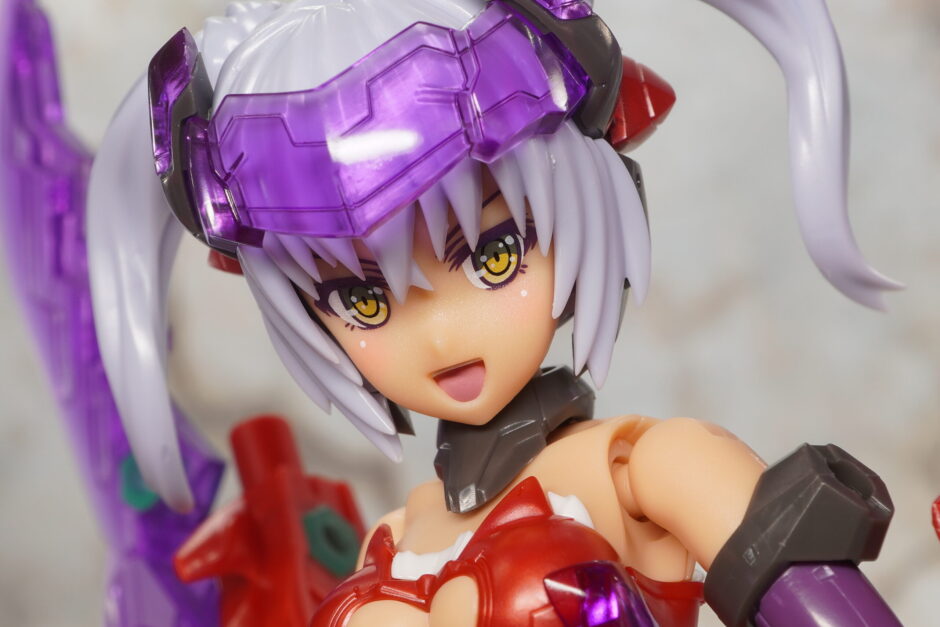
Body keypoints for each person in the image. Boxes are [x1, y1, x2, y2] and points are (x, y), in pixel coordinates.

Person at [3, 0, 903, 624]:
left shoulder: (645, 469)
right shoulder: (392, 544)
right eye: (362, 299)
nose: (438, 332)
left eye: (493, 254)